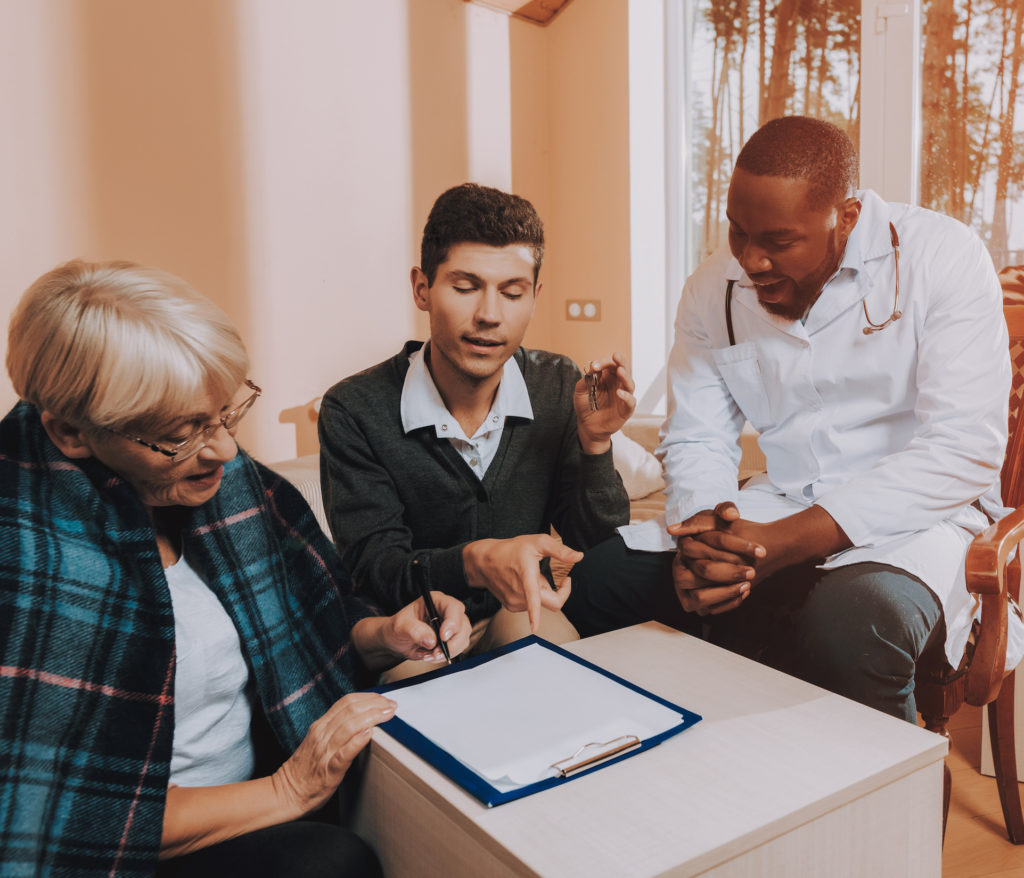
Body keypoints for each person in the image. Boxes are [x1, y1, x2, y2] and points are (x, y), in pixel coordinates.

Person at [0, 260, 472, 877]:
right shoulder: (24, 559)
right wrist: (289, 790)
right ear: (70, 432)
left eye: (226, 413)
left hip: (272, 795)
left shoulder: (228, 489)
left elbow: (318, 624)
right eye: (182, 433)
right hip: (134, 852)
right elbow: (54, 818)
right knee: (333, 863)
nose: (224, 449)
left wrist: (382, 635)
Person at [564, 115, 1022, 723]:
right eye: (737, 232)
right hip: (775, 506)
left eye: (778, 242)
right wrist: (704, 542)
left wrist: (779, 544)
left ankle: (872, 809)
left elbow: (961, 450)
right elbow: (699, 435)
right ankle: (689, 773)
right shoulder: (710, 291)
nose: (751, 260)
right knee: (602, 582)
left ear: (847, 217)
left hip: (921, 523)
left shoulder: (942, 257)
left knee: (851, 626)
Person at [319, 183, 635, 677]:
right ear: (422, 288)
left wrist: (596, 444)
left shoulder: (555, 383)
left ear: (535, 296)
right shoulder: (355, 409)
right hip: (418, 627)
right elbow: (374, 568)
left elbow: (599, 541)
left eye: (513, 292)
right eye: (465, 287)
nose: (489, 315)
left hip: (519, 612)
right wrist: (476, 561)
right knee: (420, 708)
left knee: (559, 675)